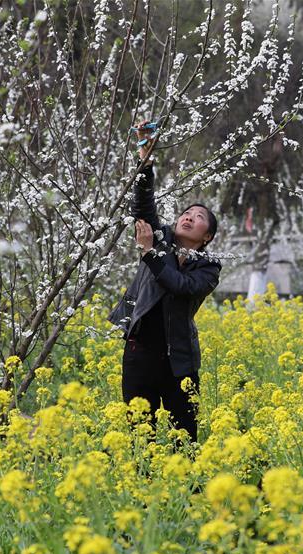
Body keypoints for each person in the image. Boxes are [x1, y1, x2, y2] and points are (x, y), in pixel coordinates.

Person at [108, 121, 221, 443]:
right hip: (139, 354)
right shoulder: (159, 239)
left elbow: (181, 287)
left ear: (207, 237)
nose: (189, 217)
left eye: (199, 217)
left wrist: (148, 254)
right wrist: (145, 163)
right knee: (139, 437)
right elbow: (143, 207)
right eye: (186, 213)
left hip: (179, 361)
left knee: (183, 438)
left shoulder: (208, 268)